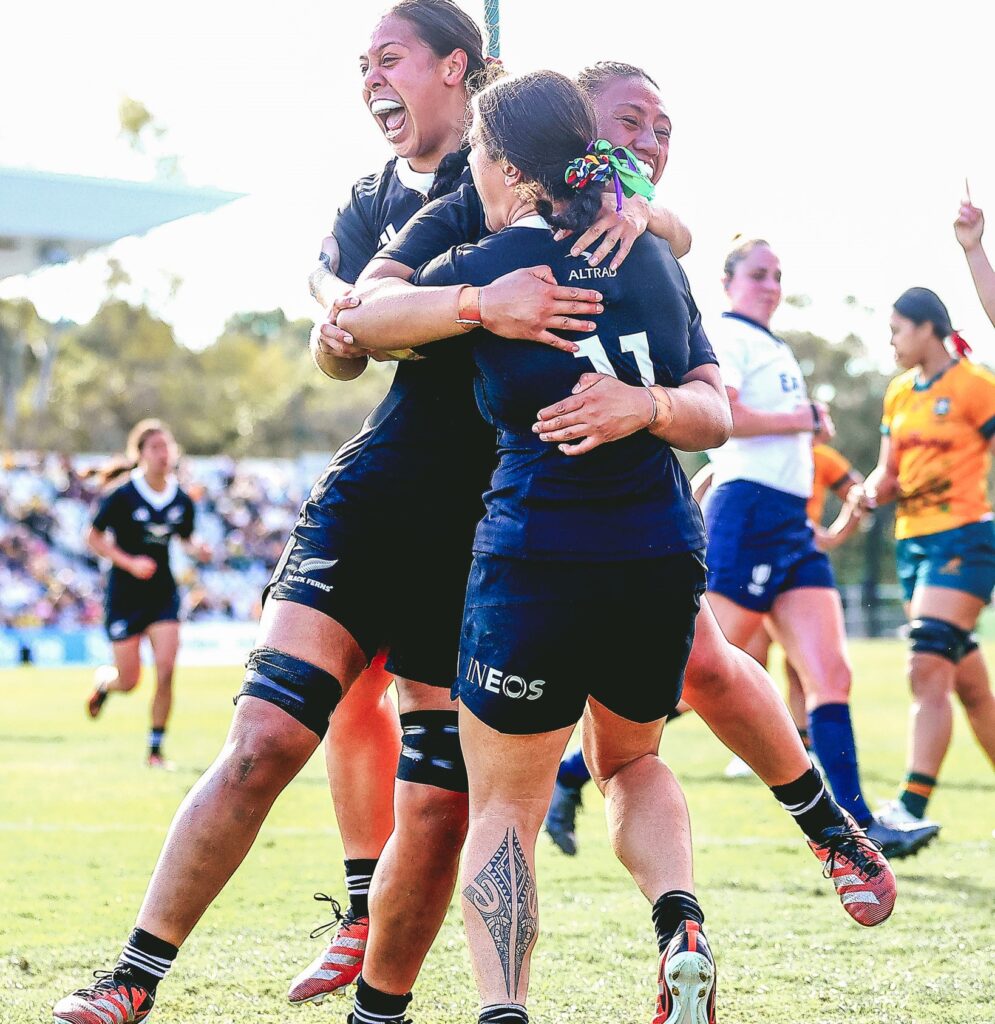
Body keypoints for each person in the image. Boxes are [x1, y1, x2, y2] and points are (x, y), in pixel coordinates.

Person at [53, 5, 606, 1023]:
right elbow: (342, 331)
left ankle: (375, 1007)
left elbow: (649, 213)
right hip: (377, 496)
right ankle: (131, 978)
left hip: (489, 525)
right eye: (360, 65)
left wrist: (405, 313)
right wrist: (418, 316)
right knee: (263, 735)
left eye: (386, 58)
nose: (369, 79)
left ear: (458, 66)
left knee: (437, 802)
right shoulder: (370, 198)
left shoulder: (511, 161)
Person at [335, 61, 898, 956]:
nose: (647, 143)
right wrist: (482, 305)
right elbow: (357, 308)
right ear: (573, 135)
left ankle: (440, 991)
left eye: (662, 128)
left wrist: (647, 401)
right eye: (628, 123)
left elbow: (690, 319)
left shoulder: (636, 238)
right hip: (552, 520)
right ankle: (726, 894)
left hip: (557, 537)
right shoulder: (483, 210)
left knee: (525, 784)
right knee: (638, 727)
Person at [406, 67, 728, 1024]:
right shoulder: (651, 260)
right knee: (631, 764)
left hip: (534, 561)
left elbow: (357, 326)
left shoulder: (491, 262)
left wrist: (459, 304)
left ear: (504, 162)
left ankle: (504, 1008)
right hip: (658, 556)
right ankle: (680, 924)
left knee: (505, 804)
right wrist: (655, 406)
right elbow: (714, 413)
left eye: (475, 151)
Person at [701, 237, 939, 859]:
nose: (772, 285)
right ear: (728, 282)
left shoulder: (774, 345)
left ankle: (860, 828)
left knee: (831, 673)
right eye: (759, 274)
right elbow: (724, 418)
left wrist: (804, 423)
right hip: (748, 514)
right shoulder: (726, 335)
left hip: (789, 524)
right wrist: (802, 418)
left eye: (778, 275)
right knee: (703, 670)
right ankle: (571, 777)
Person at [864, 286, 995, 829]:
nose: (892, 341)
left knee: (925, 665)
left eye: (897, 329)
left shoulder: (975, 385)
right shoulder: (898, 393)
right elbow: (887, 473)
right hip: (912, 542)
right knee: (971, 689)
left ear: (926, 328)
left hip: (964, 538)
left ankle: (910, 807)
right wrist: (869, 492)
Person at [84, 420, 208, 768]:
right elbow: (92, 537)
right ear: (139, 455)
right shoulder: (121, 495)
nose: (162, 454)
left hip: (162, 594)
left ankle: (155, 750)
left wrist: (199, 548)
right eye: (154, 447)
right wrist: (129, 562)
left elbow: (185, 537)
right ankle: (105, 683)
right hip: (124, 595)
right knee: (129, 680)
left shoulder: (182, 499)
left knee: (166, 669)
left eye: (166, 446)